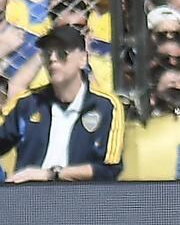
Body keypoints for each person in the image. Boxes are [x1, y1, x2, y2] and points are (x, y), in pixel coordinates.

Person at [0, 26, 124, 183]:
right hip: (28, 197)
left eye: (62, 53)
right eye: (47, 54)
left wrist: (52, 174)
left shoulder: (106, 106)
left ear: (82, 60)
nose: (52, 59)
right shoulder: (28, 103)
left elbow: (109, 169)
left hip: (82, 198)